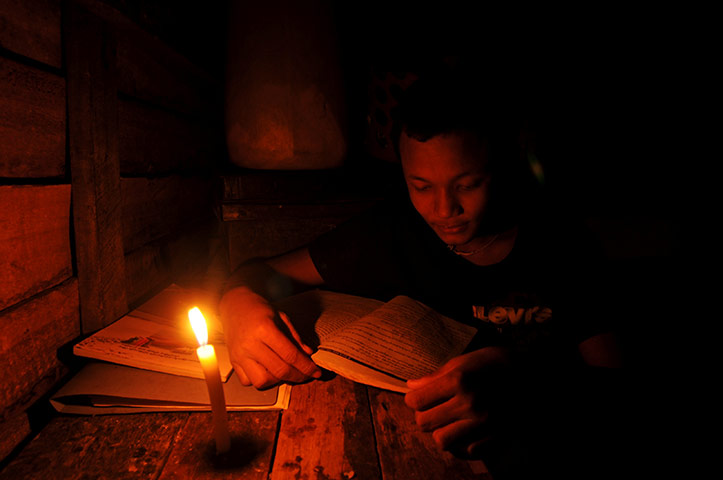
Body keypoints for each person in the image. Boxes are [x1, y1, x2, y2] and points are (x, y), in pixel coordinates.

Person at [219, 69, 625, 478]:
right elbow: (260, 272)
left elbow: (618, 390)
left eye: (468, 184)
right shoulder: (391, 232)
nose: (445, 210)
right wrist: (236, 304)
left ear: (502, 164)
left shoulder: (560, 244)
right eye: (422, 186)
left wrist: (526, 384)